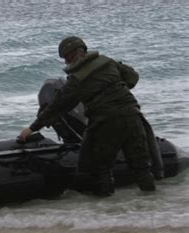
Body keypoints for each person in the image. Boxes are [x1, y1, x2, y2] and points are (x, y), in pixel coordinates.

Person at [19, 36, 156, 196]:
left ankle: (108, 210)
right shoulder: (107, 61)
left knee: (101, 170)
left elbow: (57, 107)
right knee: (141, 167)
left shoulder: (76, 80)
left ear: (73, 54)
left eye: (66, 57)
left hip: (106, 123)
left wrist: (31, 128)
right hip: (133, 116)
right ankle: (152, 205)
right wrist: (116, 88)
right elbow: (133, 77)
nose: (65, 62)